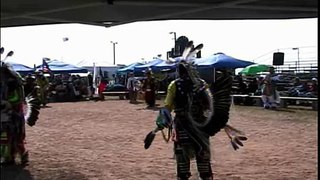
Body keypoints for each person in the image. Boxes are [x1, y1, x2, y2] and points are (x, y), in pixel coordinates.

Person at [1, 61, 40, 166]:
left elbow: (18, 98)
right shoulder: (3, 83)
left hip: (15, 115)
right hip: (3, 115)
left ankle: (22, 155)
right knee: (4, 137)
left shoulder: (14, 83)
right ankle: (7, 157)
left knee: (16, 137)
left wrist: (7, 102)